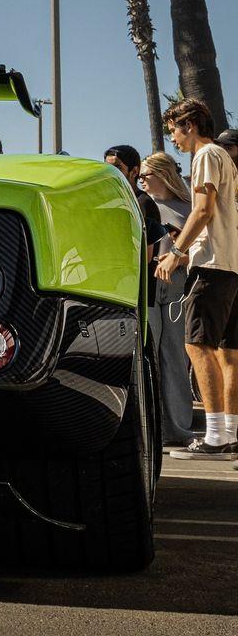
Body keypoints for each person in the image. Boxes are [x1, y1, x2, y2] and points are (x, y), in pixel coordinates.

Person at [155, 98, 238, 459]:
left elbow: (203, 210)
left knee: (198, 346)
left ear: (188, 124)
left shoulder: (205, 155)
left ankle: (215, 438)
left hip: (212, 267)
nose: (173, 139)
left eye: (173, 130)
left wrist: (176, 252)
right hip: (228, 265)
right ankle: (228, 434)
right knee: (226, 352)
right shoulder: (224, 158)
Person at [138, 151, 195, 446]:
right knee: (149, 357)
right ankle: (152, 428)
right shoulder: (140, 204)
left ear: (162, 174)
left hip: (178, 284)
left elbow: (204, 246)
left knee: (175, 357)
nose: (141, 181)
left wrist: (180, 257)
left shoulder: (189, 207)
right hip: (148, 284)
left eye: (145, 175)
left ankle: (178, 429)